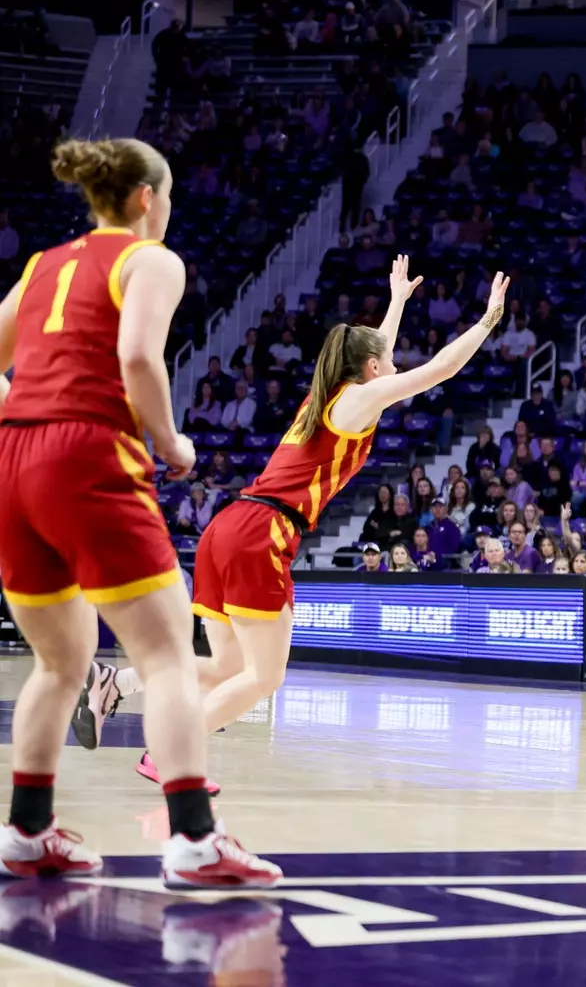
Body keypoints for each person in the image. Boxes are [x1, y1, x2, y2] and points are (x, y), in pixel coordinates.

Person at [79, 257, 512, 795]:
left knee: (228, 668)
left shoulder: (327, 395)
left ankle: (115, 683)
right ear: (372, 368)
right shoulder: (359, 398)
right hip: (262, 532)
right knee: (266, 677)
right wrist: (489, 320)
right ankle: (171, 754)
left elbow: (374, 349)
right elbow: (440, 369)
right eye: (388, 359)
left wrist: (397, 301)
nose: (394, 363)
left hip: (230, 525)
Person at [3, 138, 277, 886]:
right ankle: (194, 840)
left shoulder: (43, 265)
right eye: (171, 196)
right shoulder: (149, 259)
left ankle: (27, 831)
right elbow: (136, 357)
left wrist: (25, 421)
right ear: (147, 198)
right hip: (89, 453)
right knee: (166, 657)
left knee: (60, 663)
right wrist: (170, 439)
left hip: (15, 460)